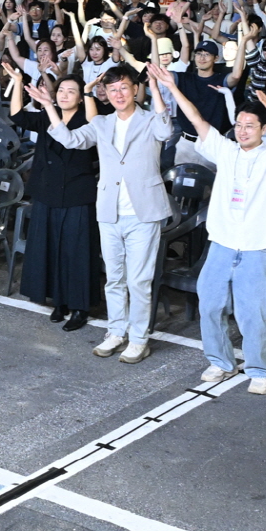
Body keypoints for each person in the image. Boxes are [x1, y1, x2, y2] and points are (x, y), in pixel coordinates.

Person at [154, 69, 266, 392]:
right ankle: (221, 362)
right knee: (210, 305)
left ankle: (260, 369)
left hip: (257, 246)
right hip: (221, 243)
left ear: (264, 129)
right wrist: (171, 87)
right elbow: (196, 118)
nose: (243, 130)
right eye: (239, 125)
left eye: (250, 126)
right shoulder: (225, 149)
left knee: (253, 313)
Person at [29, 66, 175, 364]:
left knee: (139, 281)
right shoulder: (101, 123)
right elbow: (70, 140)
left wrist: (157, 89)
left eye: (124, 87)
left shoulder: (149, 119)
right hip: (109, 211)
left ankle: (138, 339)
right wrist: (48, 106)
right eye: (112, 89)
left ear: (135, 89)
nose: (118, 94)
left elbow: (165, 131)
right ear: (105, 94)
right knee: (114, 278)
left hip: (143, 212)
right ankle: (116, 332)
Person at [10, 68, 99, 330]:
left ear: (81, 97)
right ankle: (59, 301)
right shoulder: (47, 115)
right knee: (51, 248)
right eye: (61, 90)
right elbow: (17, 116)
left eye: (72, 91)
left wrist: (87, 94)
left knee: (77, 252)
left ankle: (80, 307)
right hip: (47, 192)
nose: (64, 95)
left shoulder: (88, 117)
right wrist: (18, 83)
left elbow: (92, 128)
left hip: (76, 193)